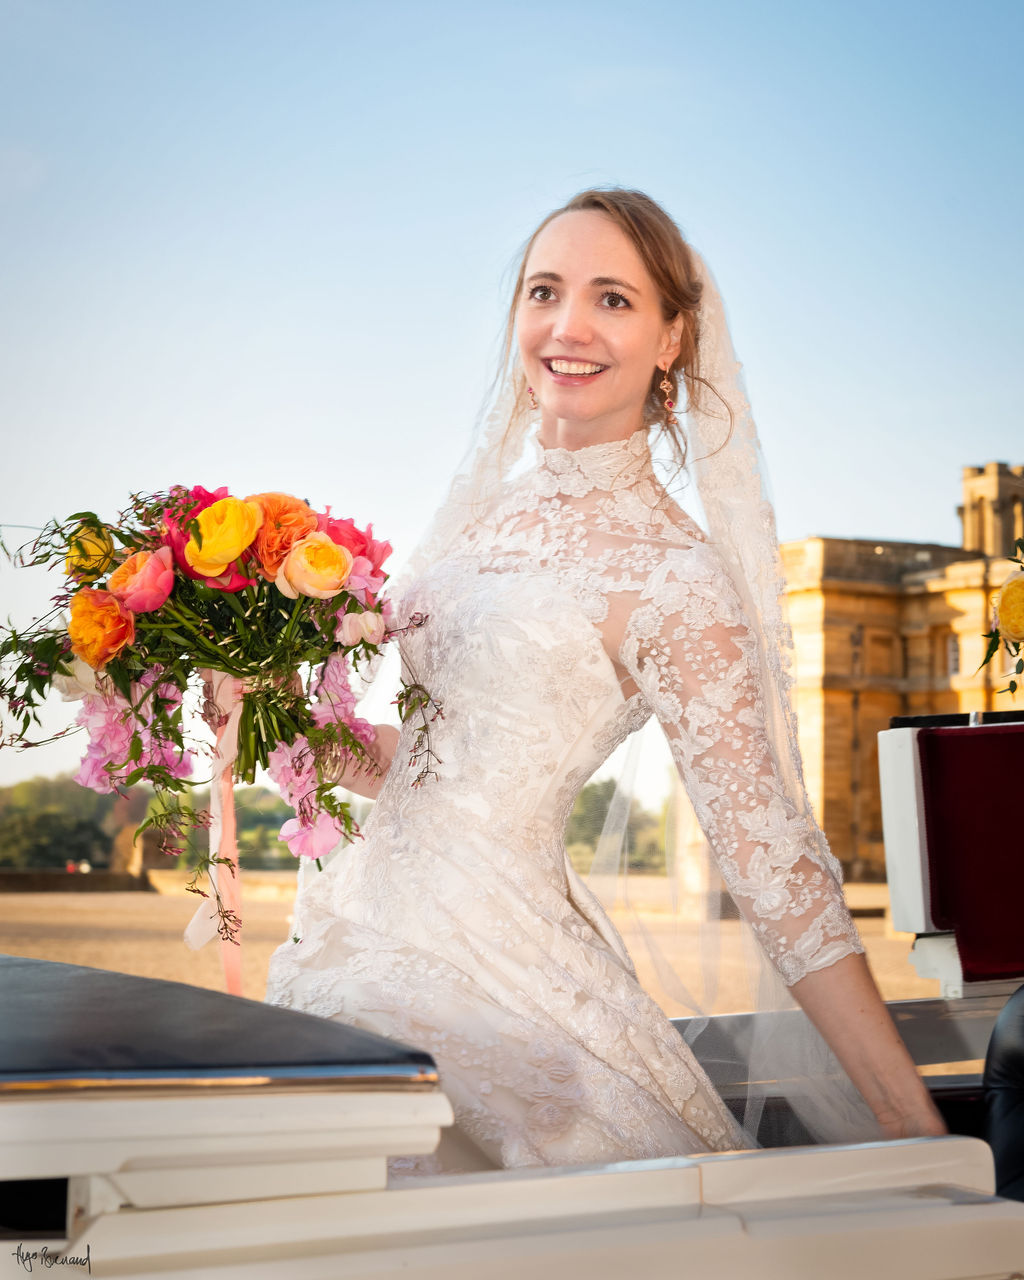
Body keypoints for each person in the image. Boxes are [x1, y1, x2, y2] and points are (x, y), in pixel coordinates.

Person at [264, 189, 946, 1171]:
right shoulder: (474, 522)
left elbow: (773, 864)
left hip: (498, 970)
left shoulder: (675, 578)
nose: (567, 325)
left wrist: (913, 1130)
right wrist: (260, 707)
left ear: (673, 336)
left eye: (613, 299)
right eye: (545, 290)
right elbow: (416, 763)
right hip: (352, 926)